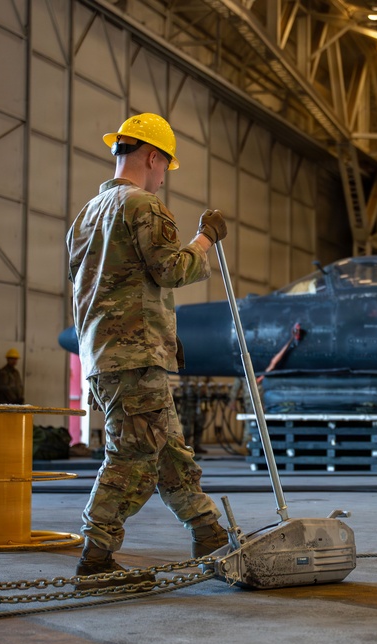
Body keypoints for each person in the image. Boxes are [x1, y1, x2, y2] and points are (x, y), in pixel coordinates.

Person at [67, 112, 229, 590]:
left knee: (168, 452)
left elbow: (108, 286)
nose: (163, 178)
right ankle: (95, 558)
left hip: (104, 355)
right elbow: (172, 269)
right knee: (133, 454)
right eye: (165, 167)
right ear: (152, 156)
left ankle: (209, 533)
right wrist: (206, 238)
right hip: (134, 358)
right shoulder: (143, 207)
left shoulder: (86, 217)